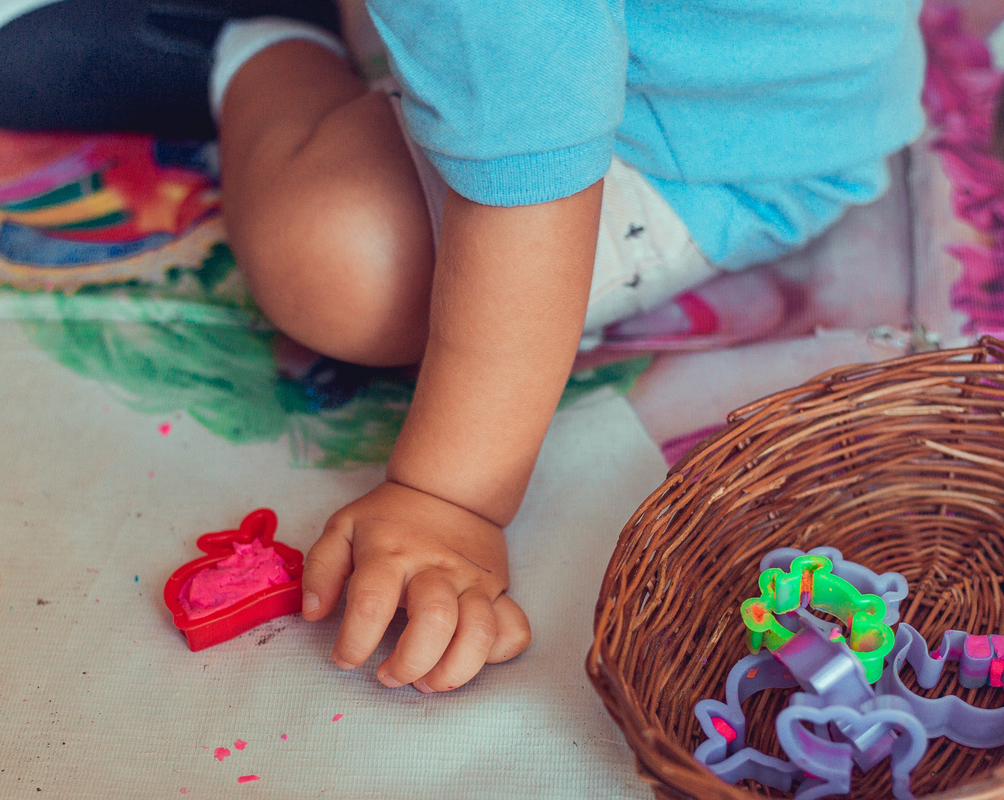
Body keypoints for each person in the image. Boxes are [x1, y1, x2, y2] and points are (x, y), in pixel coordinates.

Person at [0, 0, 926, 694]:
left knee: (343, 263)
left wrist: (451, 494)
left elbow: (532, 165)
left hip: (713, 148)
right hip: (730, 90)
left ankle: (259, 36)